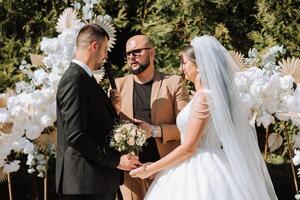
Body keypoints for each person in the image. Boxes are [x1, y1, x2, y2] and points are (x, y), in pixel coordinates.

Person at [130, 35, 278, 200]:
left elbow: (189, 147)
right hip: (201, 163)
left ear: (199, 66)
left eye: (184, 63)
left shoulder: (204, 98)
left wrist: (152, 169)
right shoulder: (203, 96)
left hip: (202, 170)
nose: (181, 68)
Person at [56, 24, 140, 200]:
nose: (106, 56)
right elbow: (76, 135)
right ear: (94, 46)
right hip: (85, 185)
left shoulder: (85, 79)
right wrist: (116, 161)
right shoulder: (74, 79)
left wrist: (112, 110)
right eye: (105, 49)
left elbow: (92, 125)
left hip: (93, 183)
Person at [115, 35, 189, 200]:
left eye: (137, 52)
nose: (131, 57)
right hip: (131, 177)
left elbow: (188, 130)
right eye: (128, 54)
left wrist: (155, 131)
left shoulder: (173, 83)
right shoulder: (117, 86)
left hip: (166, 173)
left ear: (152, 53)